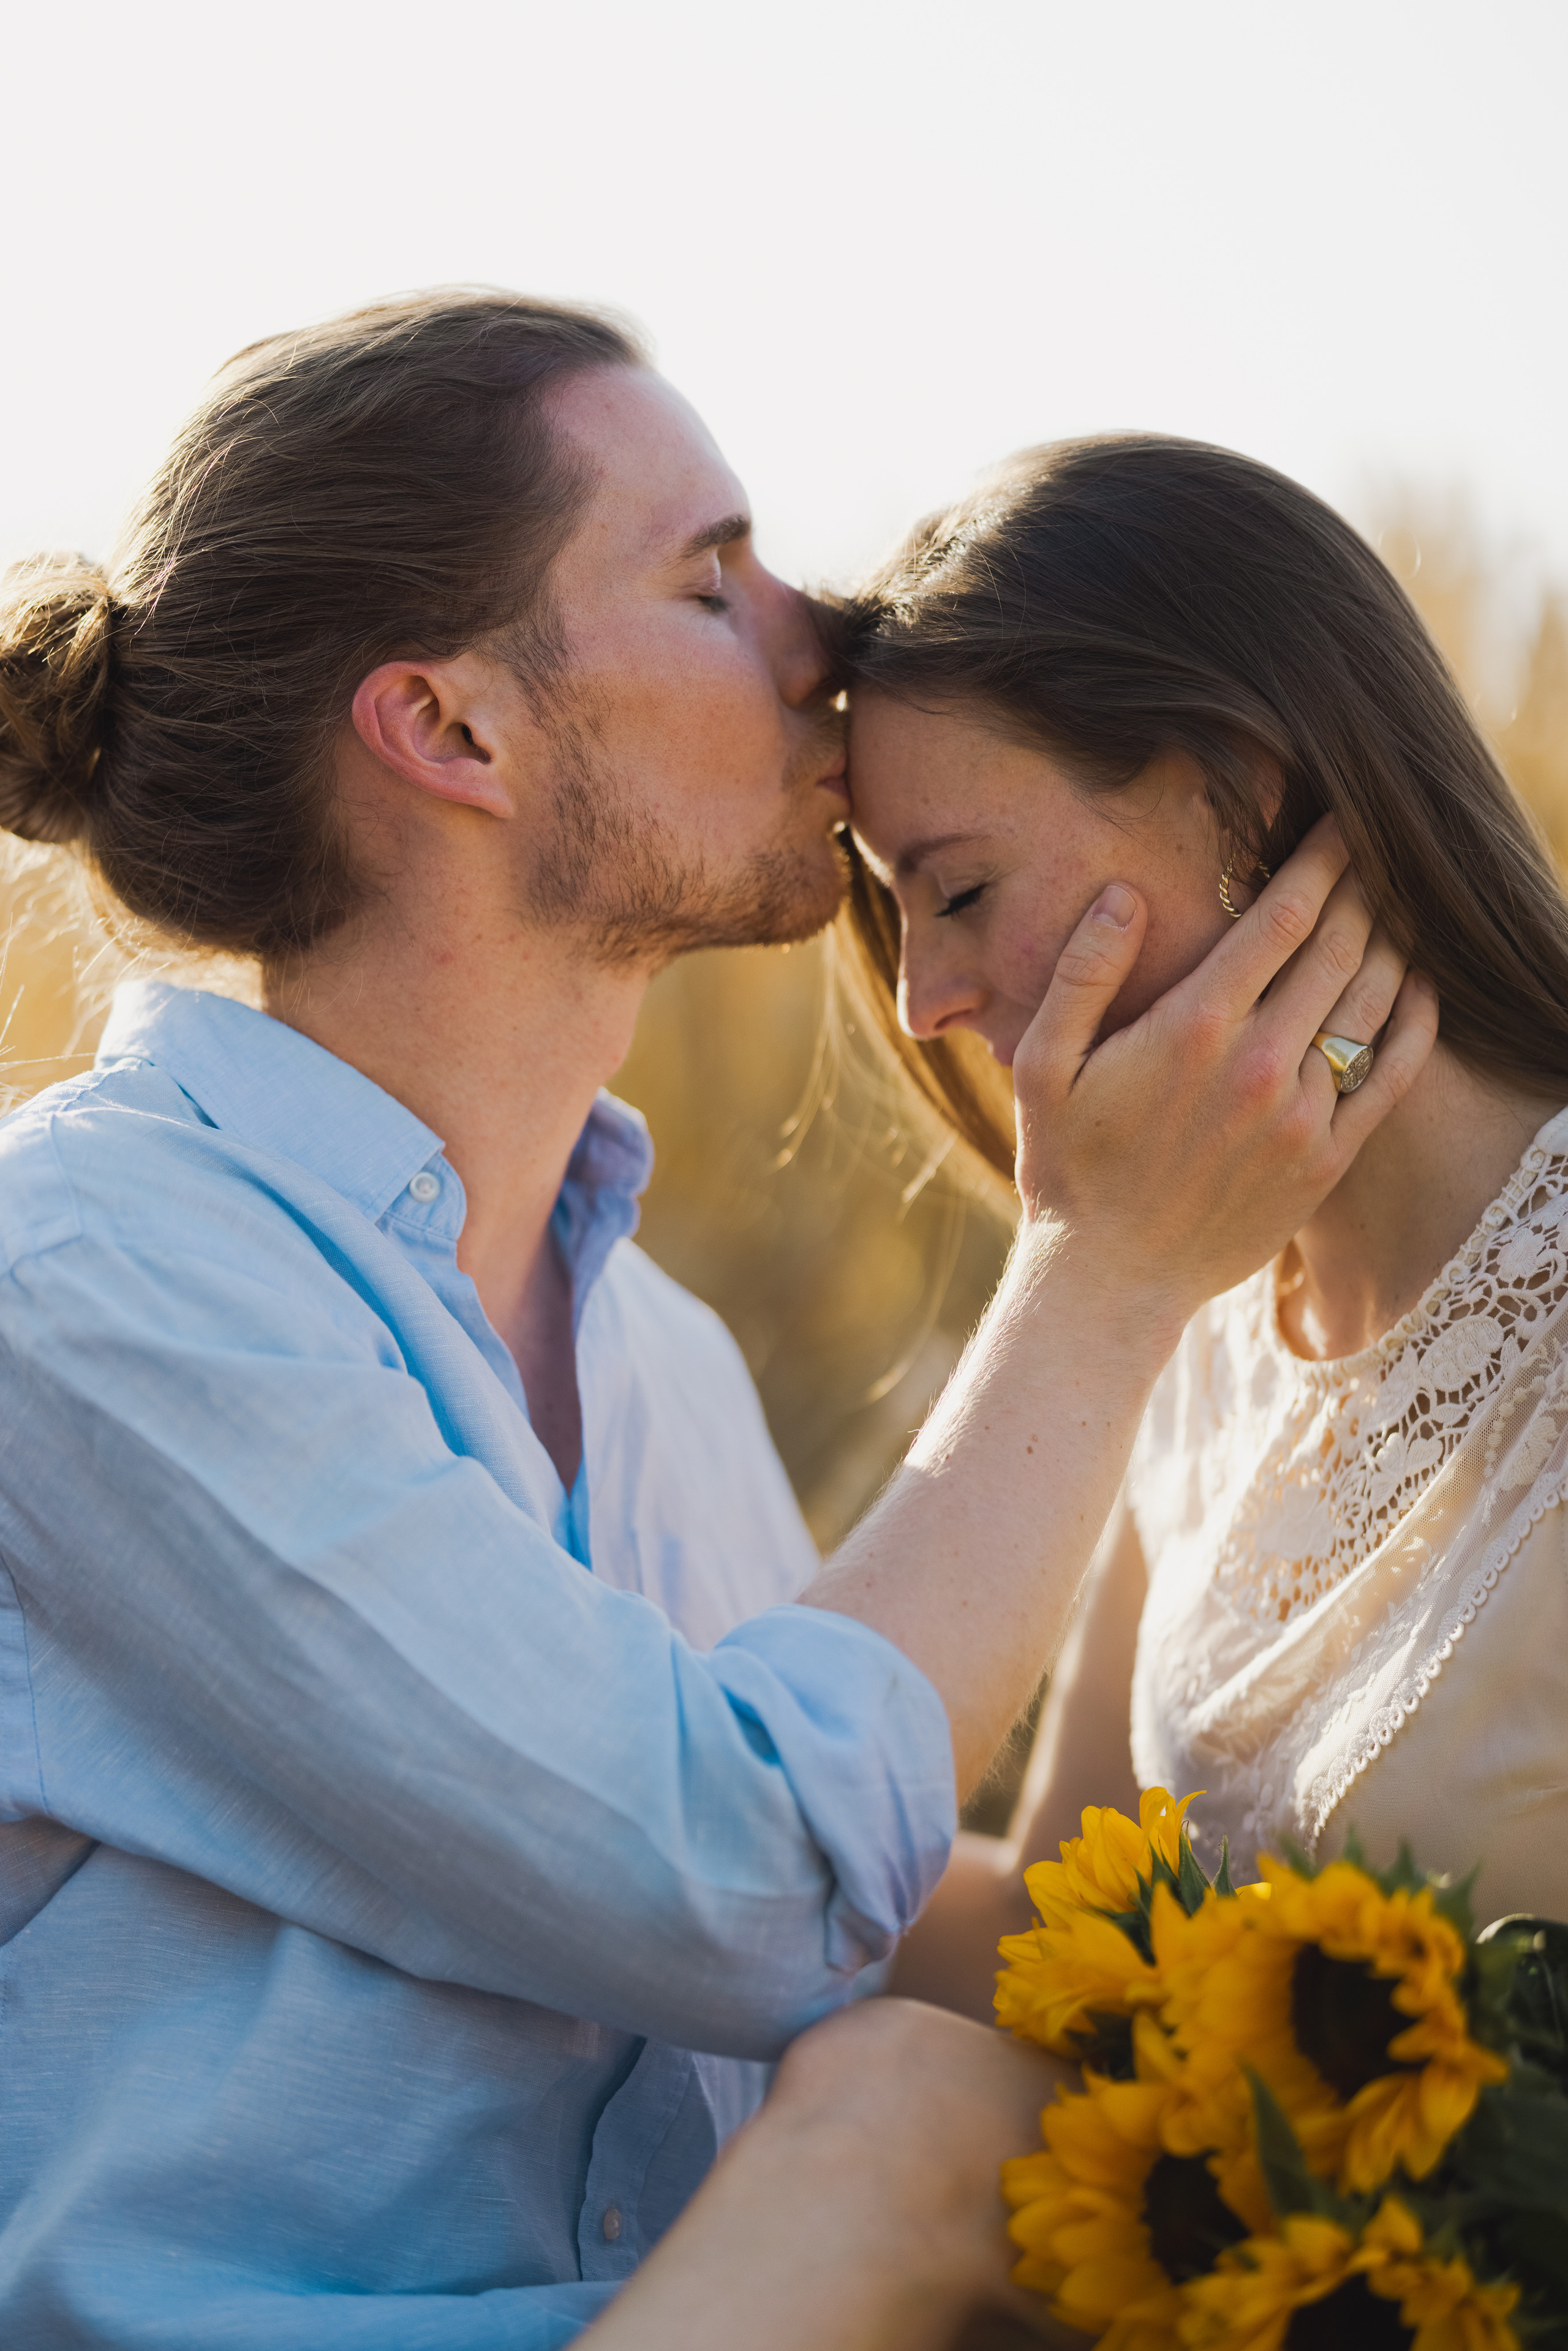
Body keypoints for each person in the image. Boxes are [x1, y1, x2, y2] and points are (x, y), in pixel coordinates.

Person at [0, 296, 1428, 2350]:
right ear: (453, 731)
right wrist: (1101, 1280)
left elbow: (858, 1877)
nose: (817, 627)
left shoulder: (654, 1352)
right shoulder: (93, 1281)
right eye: (711, 575)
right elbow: (747, 1872)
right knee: (918, 2118)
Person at [831, 431, 1568, 2027]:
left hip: (1477, 2261)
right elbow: (1055, 1925)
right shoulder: (1177, 1324)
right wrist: (596, 1826)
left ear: (1244, 799)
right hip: (1241, 2253)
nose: (920, 999)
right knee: (881, 2091)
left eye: (952, 893)